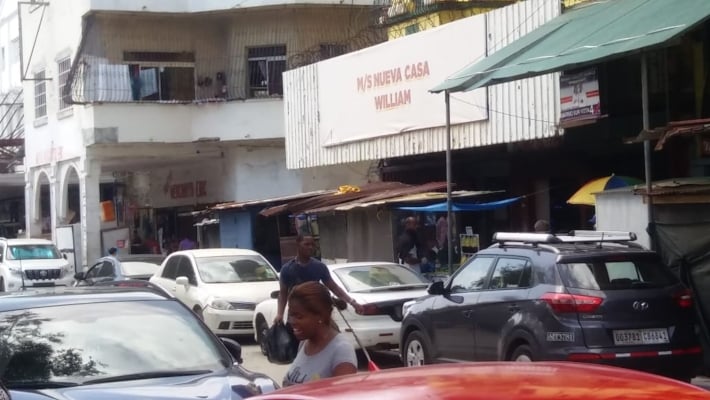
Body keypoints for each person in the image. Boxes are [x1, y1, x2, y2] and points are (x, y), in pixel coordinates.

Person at [282, 281, 358, 387]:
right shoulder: (304, 343)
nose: (292, 321)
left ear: (320, 316)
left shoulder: (341, 350)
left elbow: (343, 394)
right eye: (290, 315)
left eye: (299, 317)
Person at [275, 235, 363, 325]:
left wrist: (353, 302)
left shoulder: (319, 267)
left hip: (316, 315)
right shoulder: (287, 269)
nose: (310, 247)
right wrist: (279, 314)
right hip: (296, 316)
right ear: (298, 245)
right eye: (307, 244)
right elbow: (282, 294)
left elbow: (334, 288)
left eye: (312, 245)